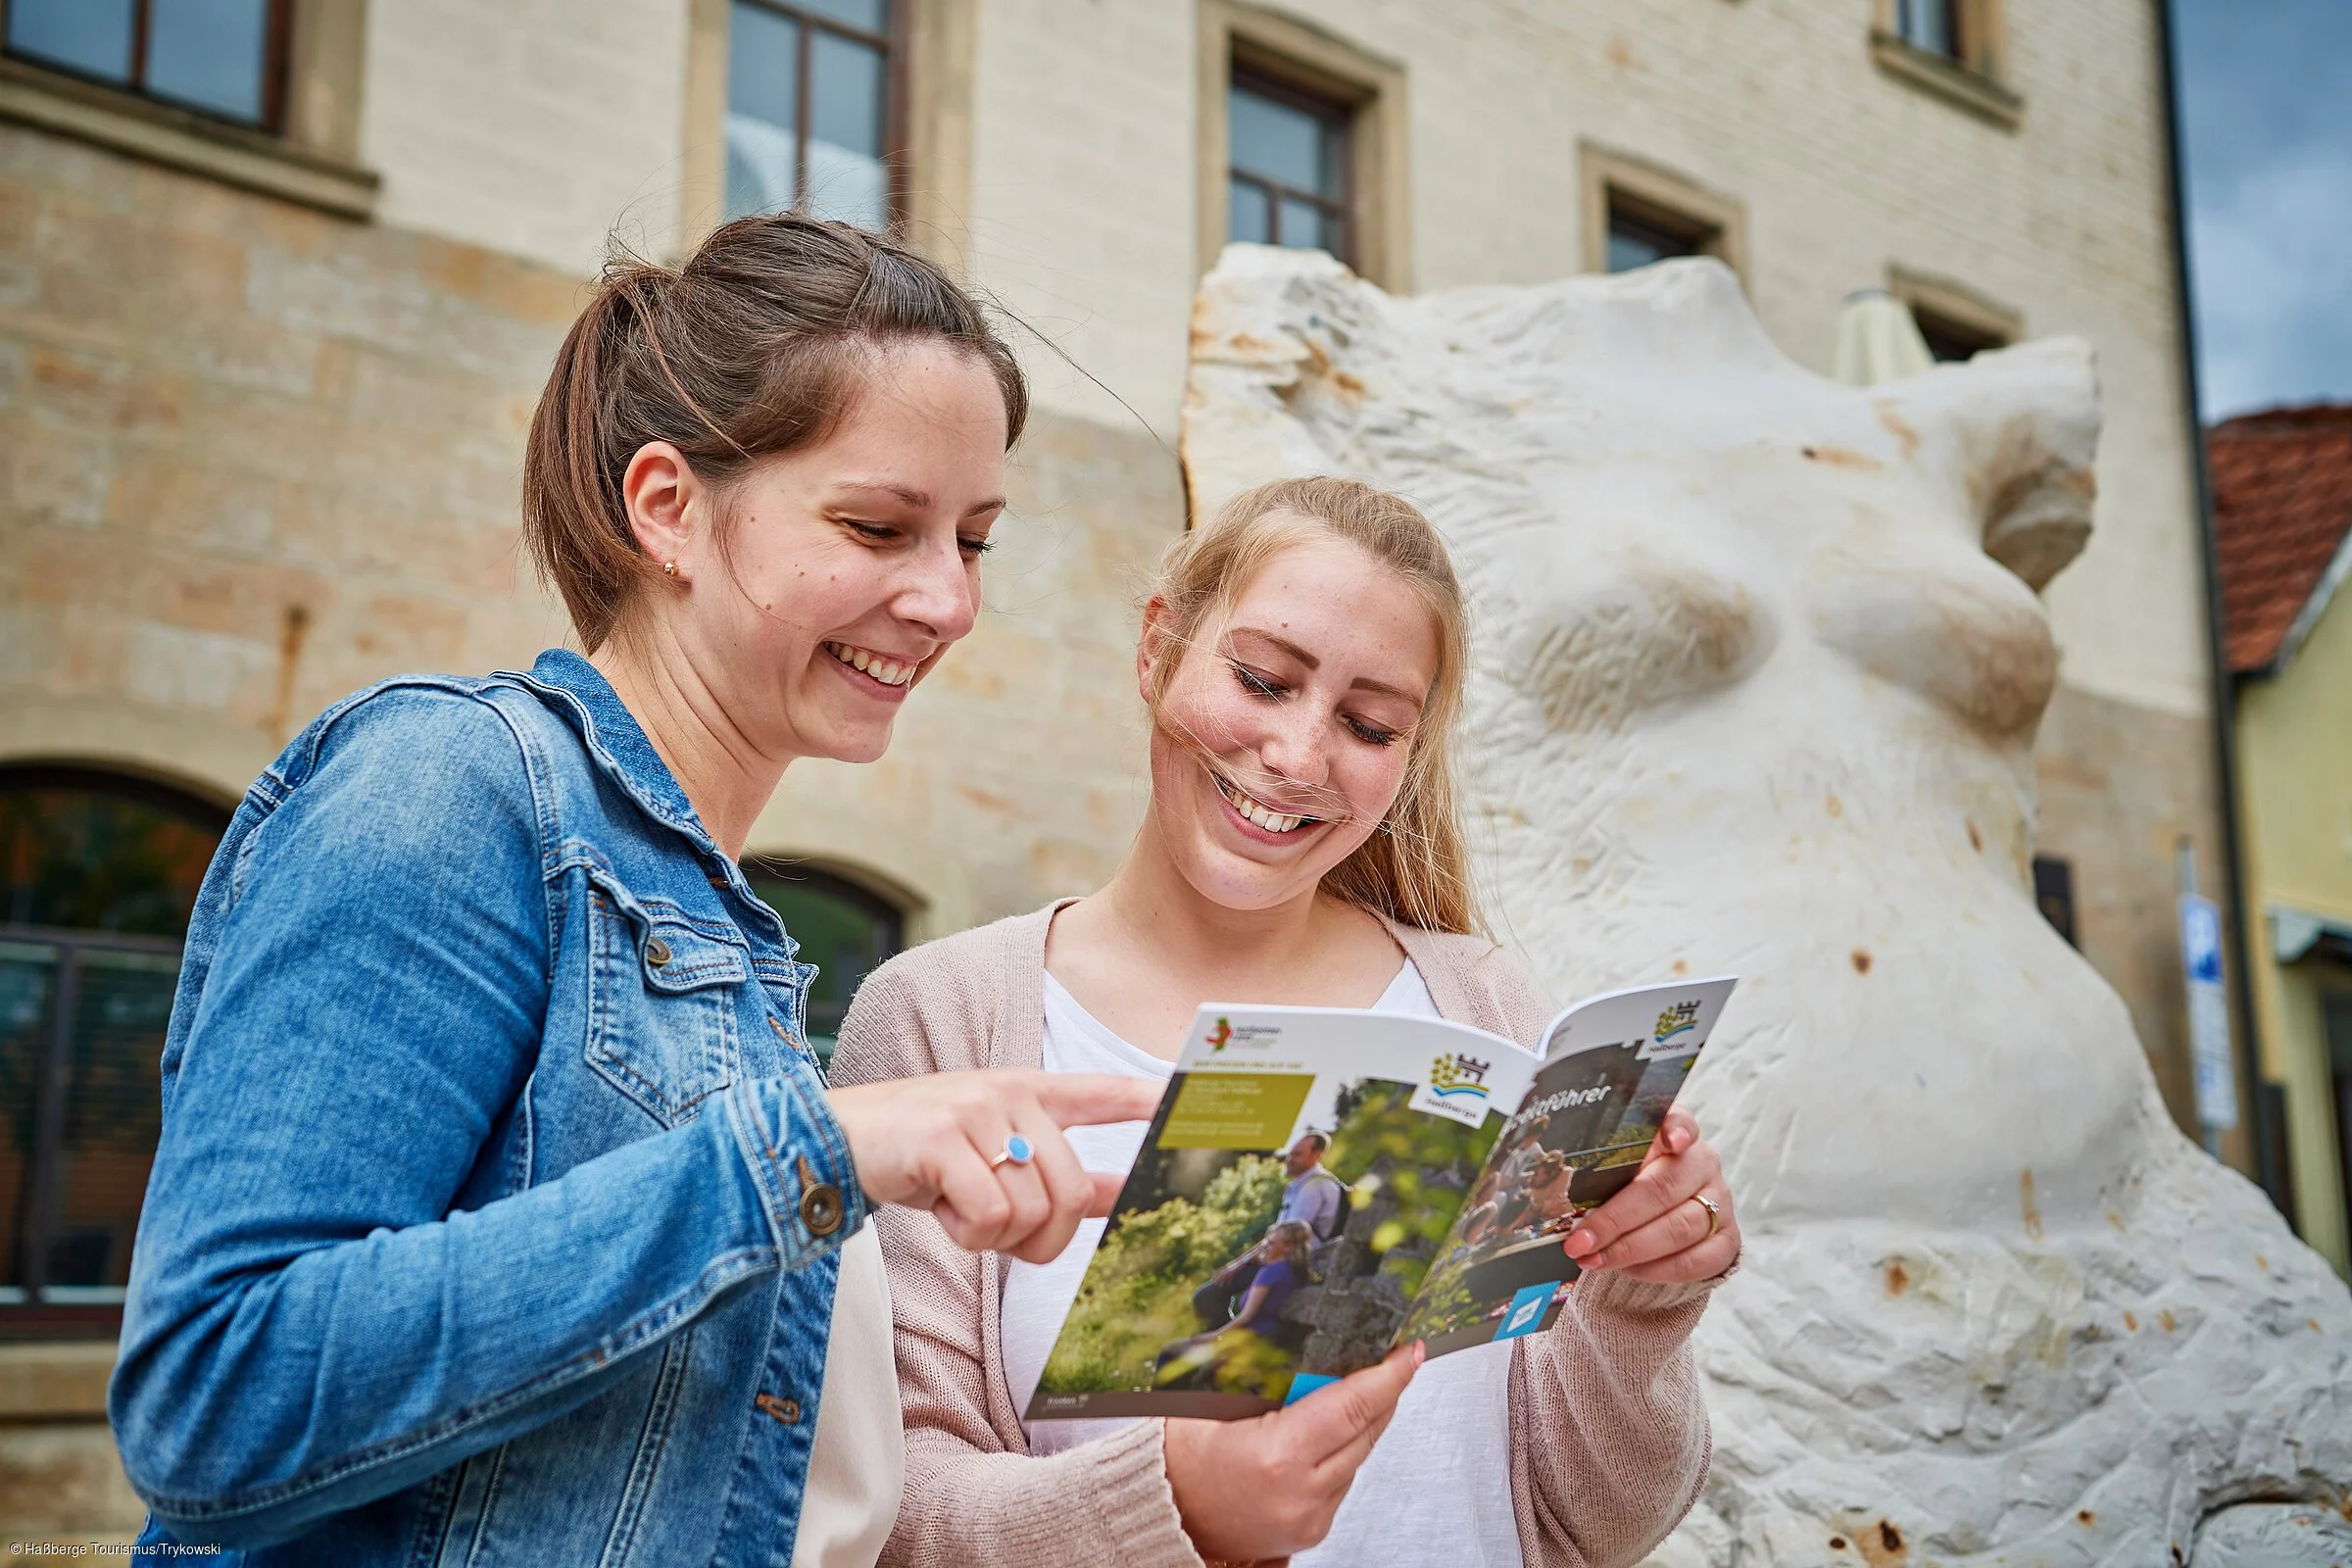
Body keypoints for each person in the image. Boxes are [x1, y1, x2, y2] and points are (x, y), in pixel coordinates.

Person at [107, 215, 1159, 1567]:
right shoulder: (452, 786)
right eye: (878, 525)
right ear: (666, 507)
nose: (948, 601)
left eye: (973, 540)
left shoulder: (722, 937)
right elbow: (214, 1395)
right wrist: (812, 1156)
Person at [832, 476, 1743, 1568]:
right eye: (1264, 680)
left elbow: (1601, 1520)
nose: (1300, 756)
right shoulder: (941, 1017)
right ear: (1158, 647)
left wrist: (1640, 1296)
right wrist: (1169, 1502)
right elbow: (888, 1509)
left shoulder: (1487, 1005)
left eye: (1368, 725)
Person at [1278, 1132, 1348, 1242]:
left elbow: (1291, 1235)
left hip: (1309, 1257)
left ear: (1317, 1155)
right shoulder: (1303, 1184)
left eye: (1297, 1154)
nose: (1290, 1159)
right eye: (1290, 1154)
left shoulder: (1315, 1186)